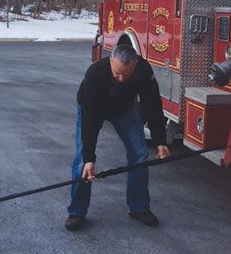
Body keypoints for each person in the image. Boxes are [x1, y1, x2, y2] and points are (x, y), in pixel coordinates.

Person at [65, 44, 170, 230]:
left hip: (123, 109)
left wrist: (160, 140)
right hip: (94, 110)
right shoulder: (95, 75)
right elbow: (89, 121)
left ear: (135, 64)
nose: (121, 79)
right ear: (111, 61)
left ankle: (139, 207)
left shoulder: (144, 70)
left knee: (139, 154)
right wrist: (90, 158)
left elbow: (152, 104)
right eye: (117, 73)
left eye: (127, 74)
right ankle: (76, 212)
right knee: (82, 162)